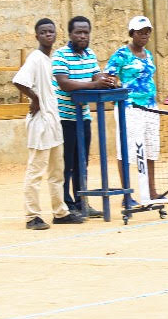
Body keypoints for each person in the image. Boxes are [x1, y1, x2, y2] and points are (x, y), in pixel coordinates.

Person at [53, 15, 114, 219]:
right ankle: (66, 204)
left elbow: (95, 74)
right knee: (66, 163)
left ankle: (82, 201)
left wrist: (104, 80)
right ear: (70, 34)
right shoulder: (60, 55)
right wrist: (94, 85)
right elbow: (64, 83)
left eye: (85, 32)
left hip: (83, 117)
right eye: (78, 32)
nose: (82, 36)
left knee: (82, 162)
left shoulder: (90, 54)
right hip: (64, 118)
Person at [12, 18, 69, 229]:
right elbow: (19, 80)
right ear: (37, 36)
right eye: (43, 32)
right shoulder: (35, 58)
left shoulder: (49, 59)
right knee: (36, 171)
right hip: (41, 123)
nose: (48, 35)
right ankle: (32, 215)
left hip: (53, 122)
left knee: (56, 171)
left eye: (51, 32)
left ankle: (60, 211)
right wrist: (34, 98)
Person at [105, 16, 161, 204]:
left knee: (151, 149)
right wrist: (117, 86)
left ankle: (152, 191)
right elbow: (108, 76)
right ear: (132, 34)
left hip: (151, 108)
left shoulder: (149, 54)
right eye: (140, 32)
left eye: (147, 31)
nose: (144, 35)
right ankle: (126, 195)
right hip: (129, 108)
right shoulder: (121, 54)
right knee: (127, 150)